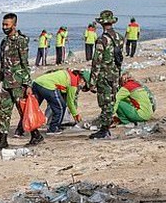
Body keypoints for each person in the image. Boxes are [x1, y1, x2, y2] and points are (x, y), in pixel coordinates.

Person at [0, 13, 34, 151]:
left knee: (23, 111)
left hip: (18, 83)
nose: (4, 27)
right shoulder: (4, 42)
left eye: (7, 25)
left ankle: (36, 135)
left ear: (14, 25)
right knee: (4, 112)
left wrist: (28, 84)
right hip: (6, 83)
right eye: (3, 24)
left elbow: (25, 63)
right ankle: (3, 141)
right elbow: (2, 65)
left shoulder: (20, 41)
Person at [86, 9, 124, 139]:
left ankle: (104, 129)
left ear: (102, 24)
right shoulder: (119, 37)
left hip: (104, 74)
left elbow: (97, 61)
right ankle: (105, 127)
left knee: (105, 102)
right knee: (111, 100)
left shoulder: (102, 40)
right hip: (115, 73)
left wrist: (92, 82)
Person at [32, 68, 88, 134]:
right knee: (61, 107)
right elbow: (70, 102)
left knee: (32, 108)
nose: (82, 87)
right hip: (48, 85)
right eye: (84, 85)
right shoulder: (73, 83)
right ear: (82, 80)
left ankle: (20, 130)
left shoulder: (69, 73)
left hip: (37, 82)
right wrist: (76, 115)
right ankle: (53, 129)